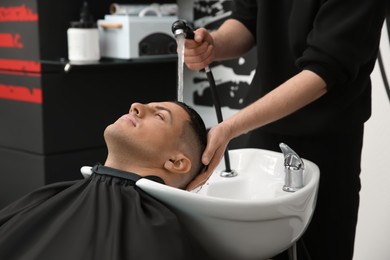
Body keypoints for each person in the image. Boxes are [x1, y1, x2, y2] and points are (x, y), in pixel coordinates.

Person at [183, 1, 387, 259]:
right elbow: (247, 20)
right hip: (261, 134)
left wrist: (231, 127)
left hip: (326, 143)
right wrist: (213, 44)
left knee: (320, 248)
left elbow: (324, 70)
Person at [0, 101, 208, 260]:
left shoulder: (157, 233)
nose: (135, 107)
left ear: (176, 161)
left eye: (160, 116)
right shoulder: (46, 198)